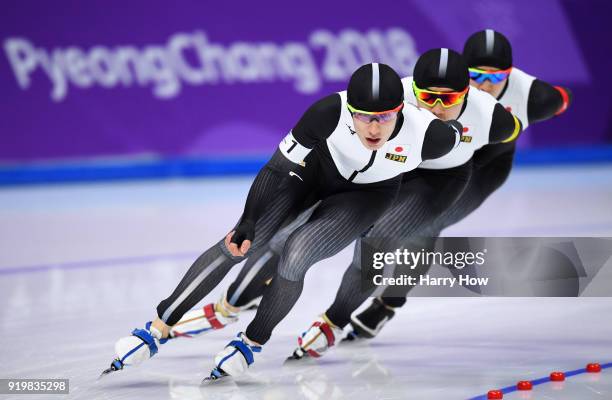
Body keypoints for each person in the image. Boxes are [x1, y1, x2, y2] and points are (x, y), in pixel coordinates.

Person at [103, 62, 463, 379]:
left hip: (366, 197)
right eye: (363, 116)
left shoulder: (433, 136)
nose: (373, 128)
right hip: (313, 174)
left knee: (296, 254)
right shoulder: (325, 112)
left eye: (384, 117)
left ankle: (251, 341)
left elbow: (435, 183)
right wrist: (248, 219)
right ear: (349, 109)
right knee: (239, 243)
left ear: (400, 110)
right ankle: (159, 326)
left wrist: (385, 218)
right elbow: (277, 168)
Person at [165, 48, 521, 361]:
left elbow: (516, 131)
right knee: (289, 233)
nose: (438, 108)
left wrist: (488, 149)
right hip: (383, 174)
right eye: (429, 97)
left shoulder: (488, 113)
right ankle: (235, 304)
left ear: (468, 93)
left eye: (450, 99)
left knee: (377, 243)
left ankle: (337, 318)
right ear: (412, 92)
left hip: (437, 180)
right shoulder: (390, 97)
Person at [346, 29, 573, 342]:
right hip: (433, 166)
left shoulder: (535, 97)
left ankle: (389, 301)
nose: (484, 85)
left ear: (511, 74)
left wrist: (559, 100)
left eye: (495, 78)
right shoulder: (438, 92)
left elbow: (563, 99)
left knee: (427, 224)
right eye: (475, 75)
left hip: (484, 170)